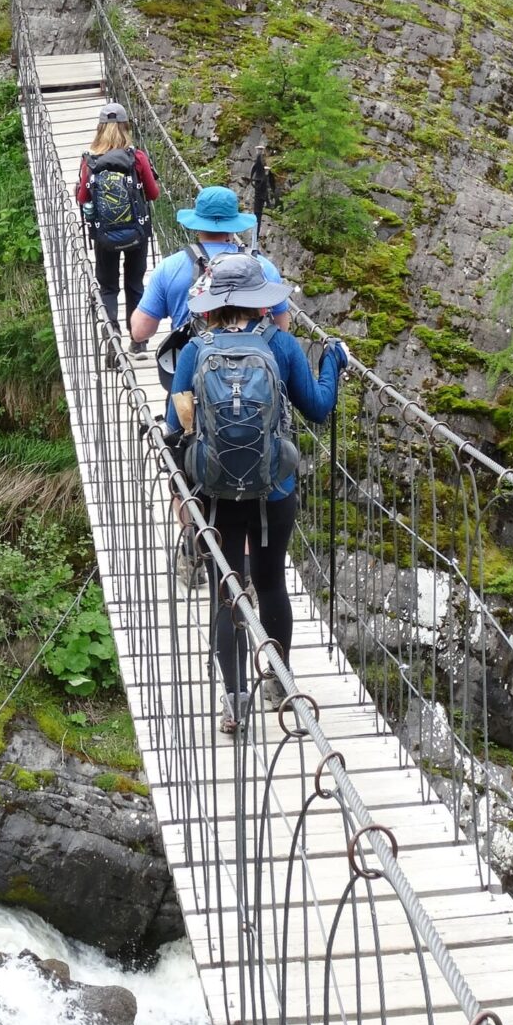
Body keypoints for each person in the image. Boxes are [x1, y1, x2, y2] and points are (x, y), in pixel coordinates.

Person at [164, 253, 347, 734]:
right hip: (274, 488)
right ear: (260, 303)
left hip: (216, 491)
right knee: (270, 584)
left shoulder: (194, 351)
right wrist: (333, 364)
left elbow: (172, 426)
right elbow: (319, 408)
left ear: (211, 305)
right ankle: (280, 685)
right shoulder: (281, 345)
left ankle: (234, 702)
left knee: (228, 591)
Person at [130, 184, 291, 390]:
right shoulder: (263, 268)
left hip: (191, 381)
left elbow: (140, 332)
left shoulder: (169, 268)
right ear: (234, 224)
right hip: (253, 386)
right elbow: (281, 328)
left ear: (197, 224)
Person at [76, 102, 160, 351]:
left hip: (104, 236)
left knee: (108, 287)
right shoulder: (137, 158)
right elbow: (153, 194)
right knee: (135, 284)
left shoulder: (90, 161)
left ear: (100, 128)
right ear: (126, 127)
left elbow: (82, 199)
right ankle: (139, 341)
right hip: (137, 232)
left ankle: (112, 342)